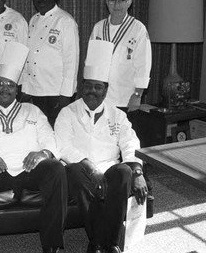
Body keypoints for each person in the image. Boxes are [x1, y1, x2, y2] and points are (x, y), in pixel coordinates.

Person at [0, 42, 67, 253]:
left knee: (56, 169)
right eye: (0, 84)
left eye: (10, 84)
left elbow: (50, 140)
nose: (5, 88)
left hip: (30, 171)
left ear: (17, 90)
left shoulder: (32, 111)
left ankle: (52, 244)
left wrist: (42, 153)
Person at [54, 40, 148, 253]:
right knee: (76, 173)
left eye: (98, 87)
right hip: (79, 168)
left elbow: (130, 141)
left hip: (109, 168)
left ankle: (108, 243)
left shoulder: (118, 114)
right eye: (88, 86)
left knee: (124, 171)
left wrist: (138, 171)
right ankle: (100, 243)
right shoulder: (67, 113)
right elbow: (63, 146)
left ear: (105, 91)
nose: (92, 91)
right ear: (81, 87)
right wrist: (90, 167)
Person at [22, 0, 79, 126]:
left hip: (56, 92)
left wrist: (65, 95)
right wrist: (26, 88)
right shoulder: (33, 20)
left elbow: (72, 61)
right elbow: (28, 57)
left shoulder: (65, 21)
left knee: (57, 132)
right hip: (36, 90)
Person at [89, 0, 152, 111]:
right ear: (106, 1)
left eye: (122, 0)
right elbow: (90, 62)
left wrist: (137, 95)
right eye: (112, 0)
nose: (117, 5)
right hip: (99, 98)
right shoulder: (98, 28)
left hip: (125, 98)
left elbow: (144, 65)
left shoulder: (138, 29)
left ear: (129, 1)